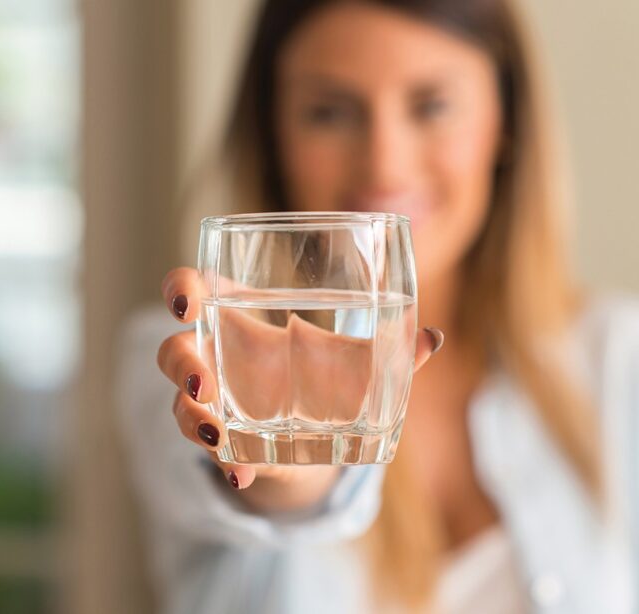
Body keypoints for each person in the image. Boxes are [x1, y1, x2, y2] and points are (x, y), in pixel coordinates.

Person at [116, 1, 639, 613]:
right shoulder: (186, 352)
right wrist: (293, 465)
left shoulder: (617, 357)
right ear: (272, 130)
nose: (384, 163)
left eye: (432, 106)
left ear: (506, 121)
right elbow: (230, 494)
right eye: (330, 112)